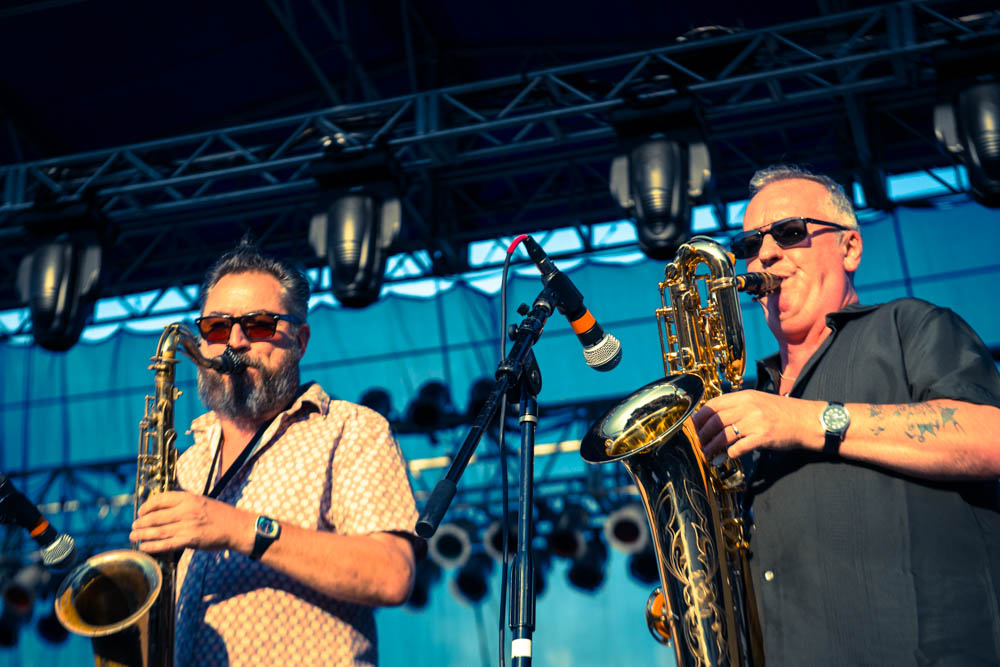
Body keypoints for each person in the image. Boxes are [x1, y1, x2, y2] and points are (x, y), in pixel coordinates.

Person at [693, 165, 1000, 665]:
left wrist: (803, 422)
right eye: (750, 244)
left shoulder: (910, 326)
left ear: (850, 248)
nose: (765, 253)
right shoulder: (754, 397)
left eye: (790, 233)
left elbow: (991, 437)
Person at [129, 242, 420, 666]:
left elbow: (392, 574)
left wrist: (239, 528)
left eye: (259, 325)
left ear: (300, 340)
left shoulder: (350, 429)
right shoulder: (182, 462)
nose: (234, 341)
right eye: (214, 328)